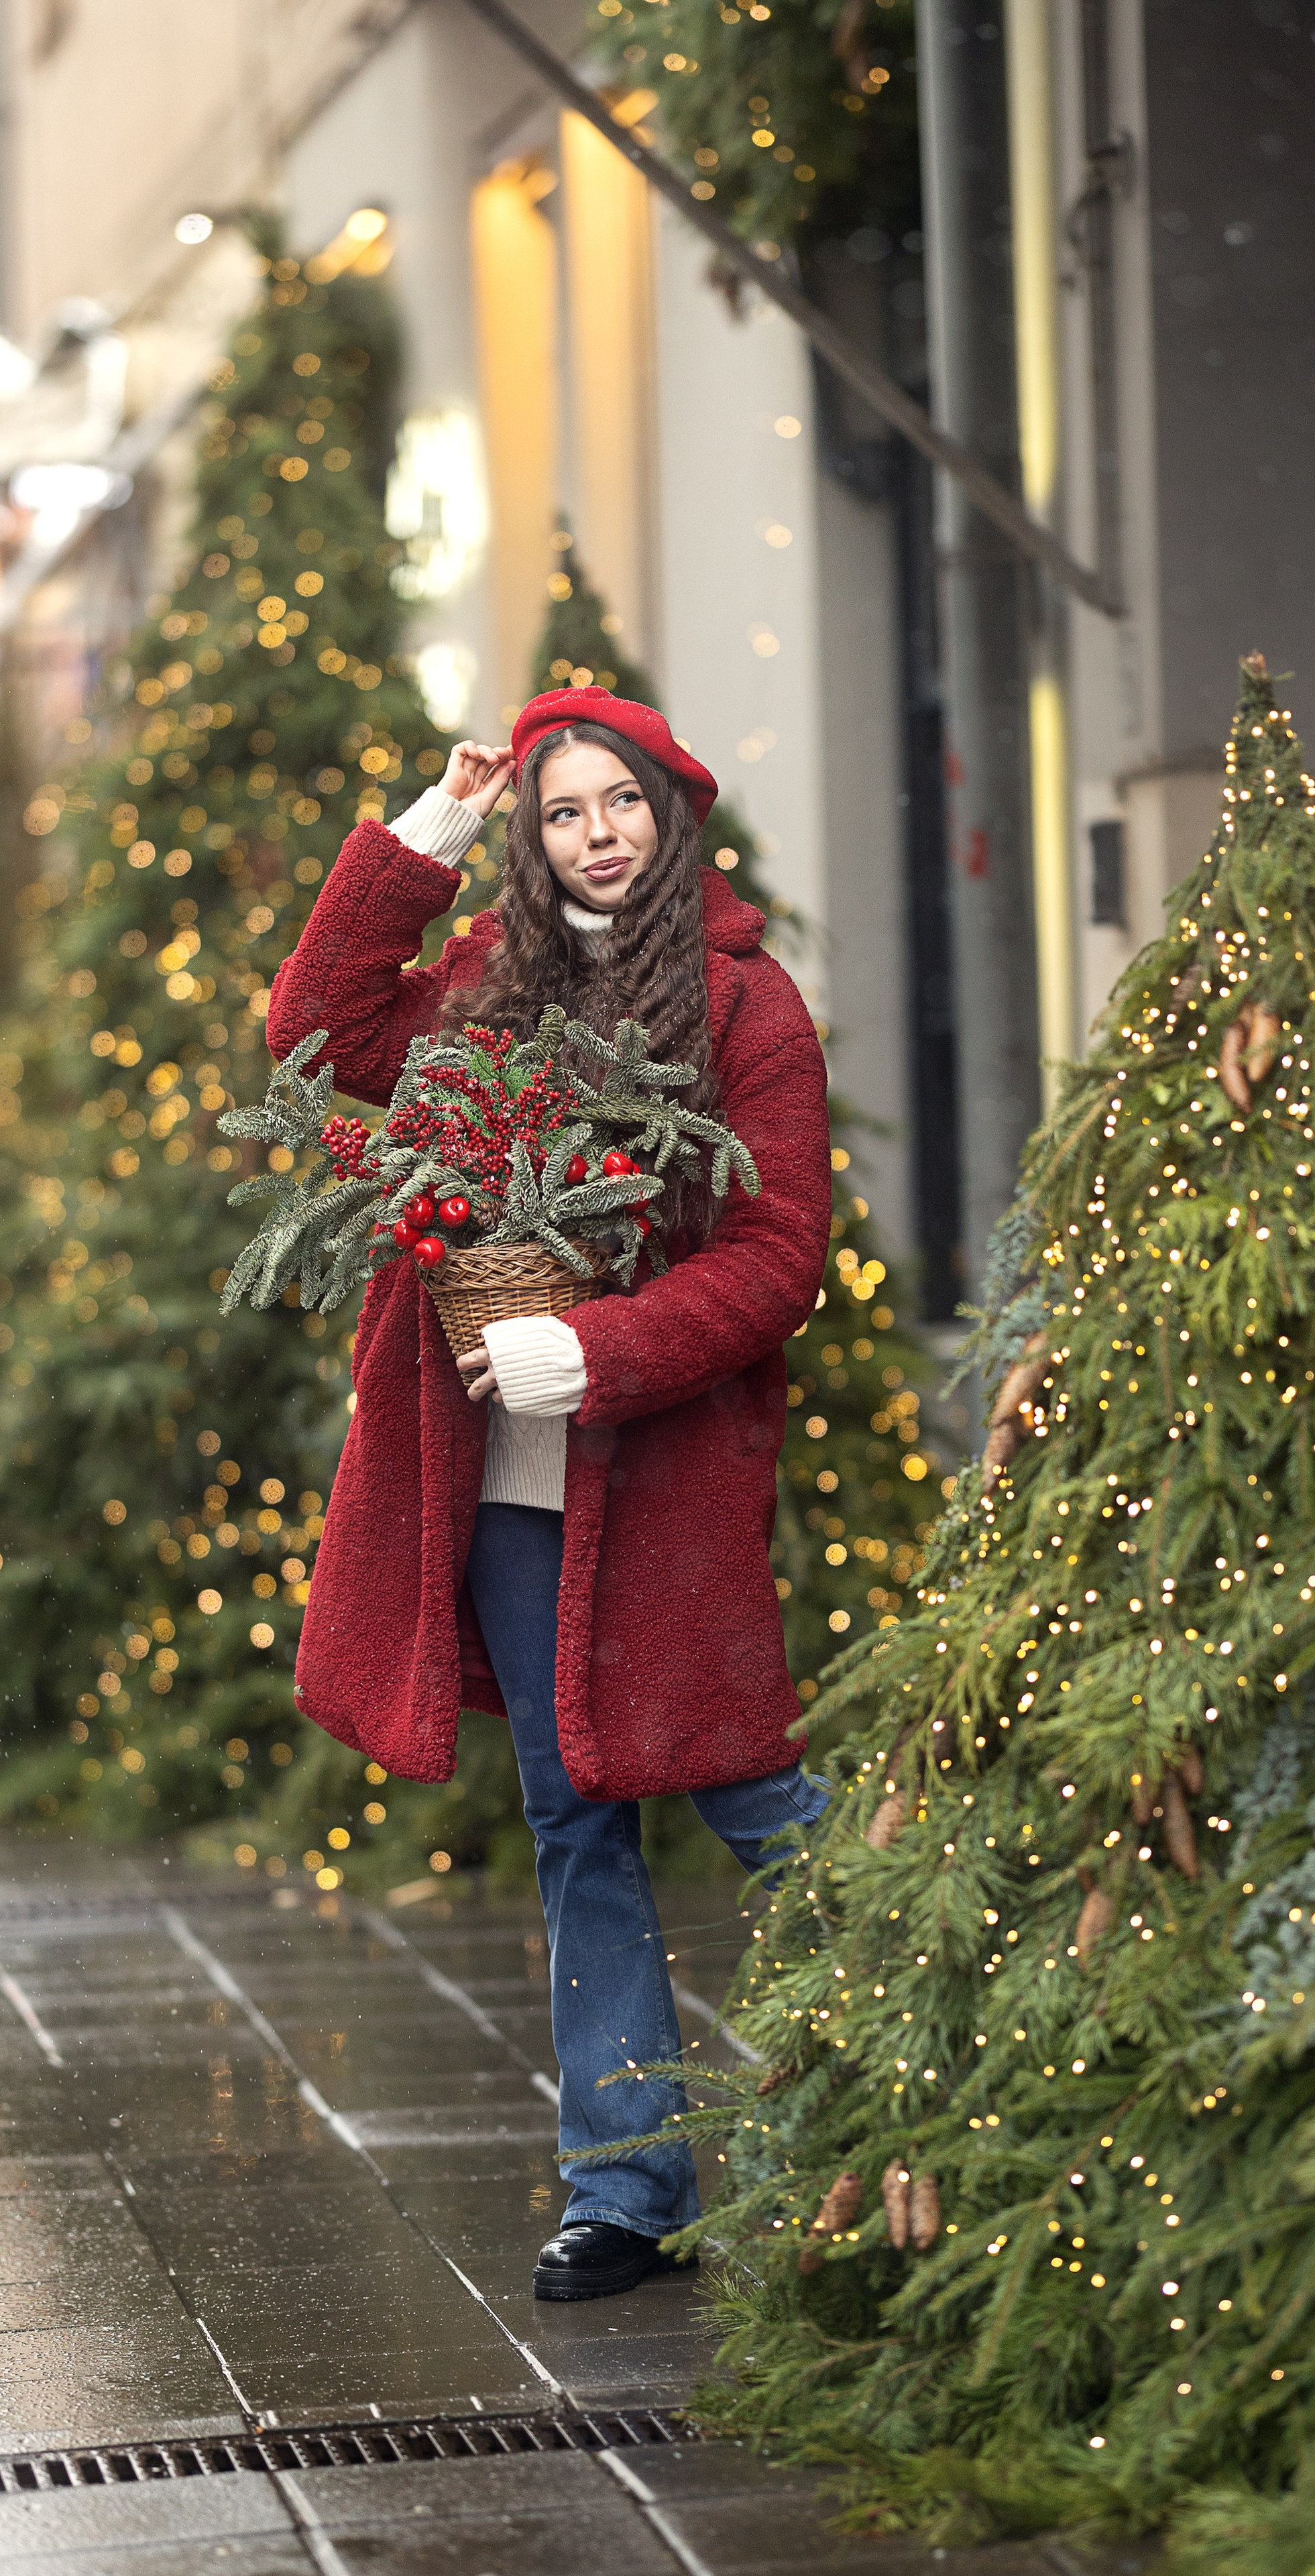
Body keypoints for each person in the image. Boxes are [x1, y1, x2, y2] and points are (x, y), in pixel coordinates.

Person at [267, 684, 832, 2301]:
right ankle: (627, 2189)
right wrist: (426, 828)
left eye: (621, 804)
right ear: (534, 833)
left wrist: (597, 1353)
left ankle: (900, 2093)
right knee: (575, 1824)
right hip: (501, 1491)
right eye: (564, 810)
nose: (597, 835)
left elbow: (774, 1256)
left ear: (670, 816)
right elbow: (309, 1033)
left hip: (659, 1482)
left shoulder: (745, 1009)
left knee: (749, 1790)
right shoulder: (473, 992)